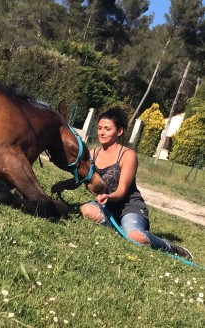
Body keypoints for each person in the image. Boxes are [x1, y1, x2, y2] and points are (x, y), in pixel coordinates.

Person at [81, 107, 193, 259]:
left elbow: (121, 191)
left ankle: (169, 246)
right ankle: (122, 229)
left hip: (129, 206)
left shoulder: (128, 155)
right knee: (86, 210)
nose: (101, 132)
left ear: (119, 131)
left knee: (136, 236)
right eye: (100, 128)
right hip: (106, 205)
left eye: (107, 129)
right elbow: (84, 177)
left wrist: (108, 196)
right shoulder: (93, 154)